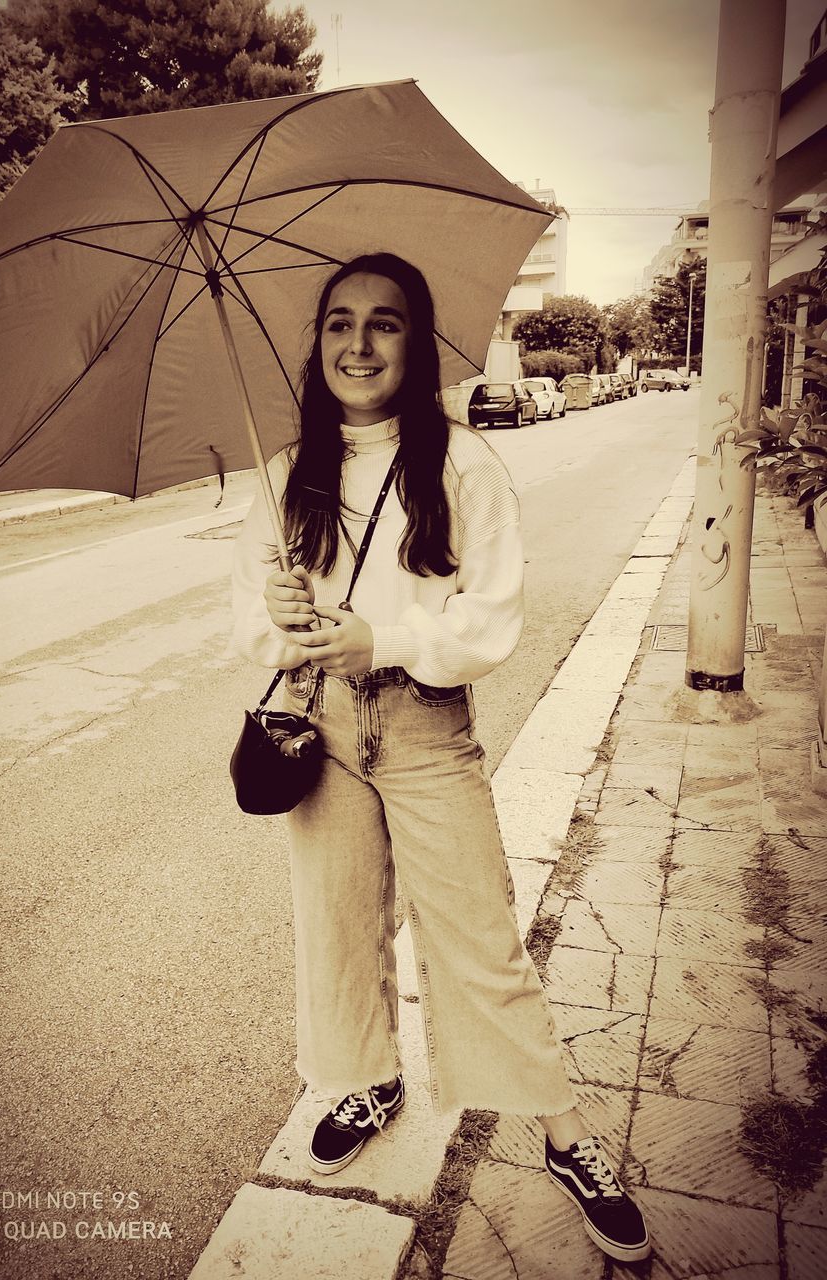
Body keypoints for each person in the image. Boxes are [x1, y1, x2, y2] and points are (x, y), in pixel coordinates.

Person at [231, 253, 650, 1265]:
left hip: (422, 726)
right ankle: (367, 1075)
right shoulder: (289, 475)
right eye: (339, 322)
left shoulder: (464, 465)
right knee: (334, 923)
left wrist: (386, 640)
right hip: (320, 726)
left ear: (414, 345)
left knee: (477, 931)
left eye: (383, 323)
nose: (358, 342)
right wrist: (280, 618)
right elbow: (245, 620)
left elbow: (490, 617)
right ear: (318, 340)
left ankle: (562, 1127)